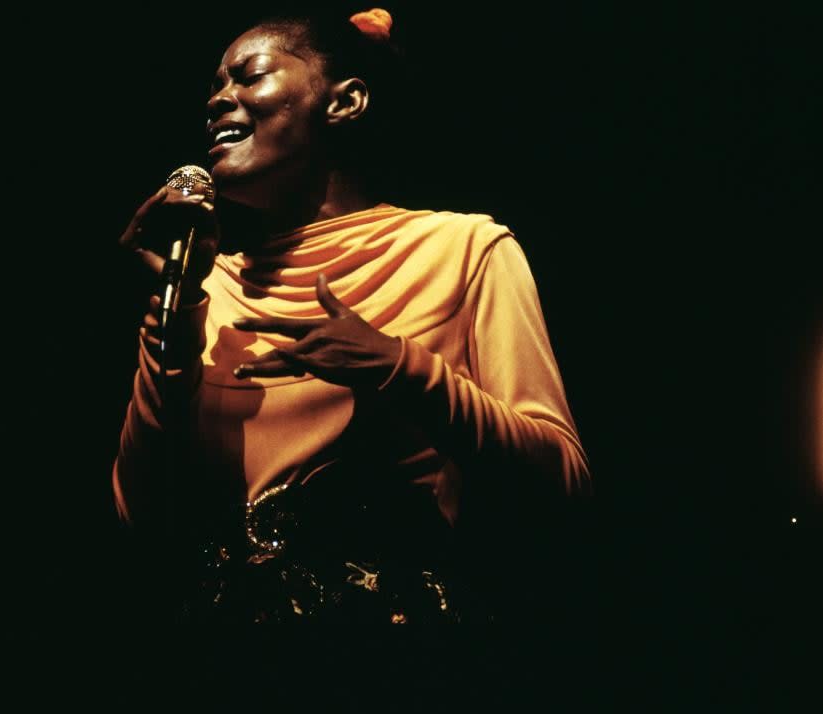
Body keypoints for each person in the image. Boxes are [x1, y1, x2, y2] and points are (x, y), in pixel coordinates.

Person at [113, 7, 590, 623]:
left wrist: (400, 368)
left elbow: (562, 482)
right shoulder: (209, 286)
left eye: (247, 76)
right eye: (213, 87)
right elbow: (140, 517)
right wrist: (171, 334)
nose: (219, 99)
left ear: (346, 102)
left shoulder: (464, 248)